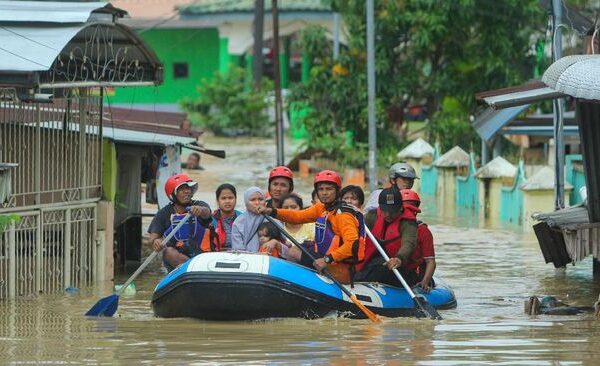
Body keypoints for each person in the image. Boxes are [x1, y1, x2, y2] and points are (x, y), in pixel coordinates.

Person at [259, 170, 365, 284]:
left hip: (340, 267)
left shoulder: (344, 215)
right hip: (327, 259)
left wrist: (327, 259)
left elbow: (352, 245)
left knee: (294, 252)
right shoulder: (322, 208)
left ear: (337, 191)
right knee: (294, 249)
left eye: (329, 189)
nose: (324, 193)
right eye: (321, 189)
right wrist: (272, 211)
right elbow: (298, 216)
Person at [148, 173, 213, 271]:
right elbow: (152, 239)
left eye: (188, 188)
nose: (186, 191)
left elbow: (207, 212)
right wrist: (155, 242)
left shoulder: (199, 205)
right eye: (181, 189)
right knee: (168, 251)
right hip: (175, 257)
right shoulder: (163, 213)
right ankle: (193, 269)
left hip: (200, 255)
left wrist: (199, 210)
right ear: (173, 194)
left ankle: (196, 269)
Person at [355, 187, 418, 287]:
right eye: (385, 210)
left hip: (397, 265)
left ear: (401, 207)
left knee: (381, 269)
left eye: (392, 211)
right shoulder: (372, 216)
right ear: (380, 207)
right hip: (372, 261)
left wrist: (399, 259)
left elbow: (408, 243)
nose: (388, 215)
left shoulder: (408, 223)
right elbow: (356, 235)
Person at [400, 189, 436, 291]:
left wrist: (424, 282)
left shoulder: (423, 231)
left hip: (413, 272)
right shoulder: (391, 227)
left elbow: (430, 261)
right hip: (396, 269)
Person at [232, 187, 286, 254]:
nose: (257, 203)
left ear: (265, 201)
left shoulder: (274, 220)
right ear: (246, 202)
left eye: (260, 199)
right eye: (252, 200)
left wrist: (276, 243)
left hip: (271, 261)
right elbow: (237, 251)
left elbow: (287, 250)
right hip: (247, 261)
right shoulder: (238, 223)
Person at [211, 183, 241, 251]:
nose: (227, 201)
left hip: (240, 255)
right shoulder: (210, 220)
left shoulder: (243, 218)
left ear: (235, 199)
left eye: (230, 198)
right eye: (223, 198)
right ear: (217, 201)